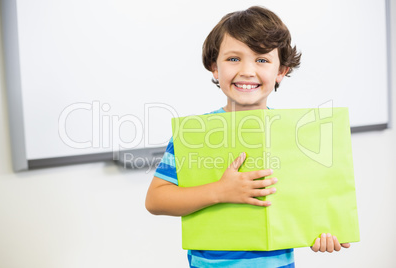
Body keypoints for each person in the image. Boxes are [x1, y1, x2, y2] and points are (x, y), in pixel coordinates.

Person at [146, 6, 350, 267]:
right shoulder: (194, 134)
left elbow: (307, 203)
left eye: (262, 59)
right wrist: (220, 191)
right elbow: (156, 200)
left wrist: (320, 229)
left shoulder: (297, 136)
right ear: (214, 68)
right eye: (233, 59)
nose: (247, 70)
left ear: (281, 71)